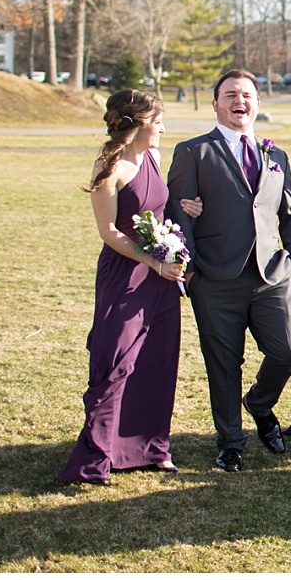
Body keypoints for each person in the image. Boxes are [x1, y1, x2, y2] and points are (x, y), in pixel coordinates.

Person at [165, 68, 291, 472]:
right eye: (229, 95)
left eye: (246, 95)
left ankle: (260, 404)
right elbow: (178, 213)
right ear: (215, 103)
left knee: (288, 350)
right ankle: (230, 442)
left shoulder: (275, 156)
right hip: (214, 278)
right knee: (223, 364)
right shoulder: (193, 151)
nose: (238, 101)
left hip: (270, 276)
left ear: (257, 104)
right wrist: (189, 272)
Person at [60, 90, 184, 484]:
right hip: (125, 275)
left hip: (161, 277)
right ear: (137, 122)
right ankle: (97, 456)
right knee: (116, 360)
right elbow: (109, 231)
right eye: (158, 121)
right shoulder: (109, 165)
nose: (163, 128)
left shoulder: (155, 158)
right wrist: (151, 260)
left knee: (156, 358)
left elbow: (161, 212)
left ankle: (151, 447)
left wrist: (172, 250)